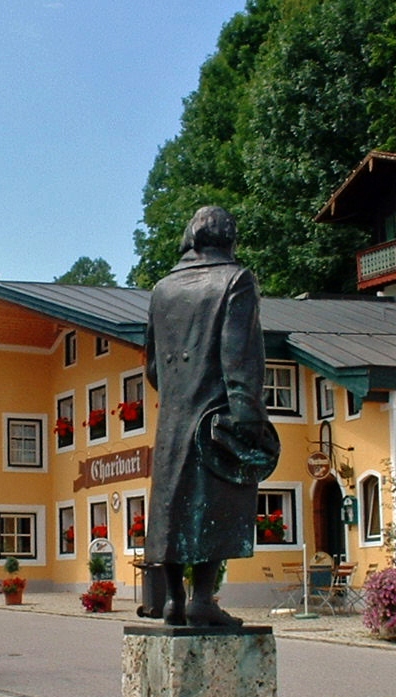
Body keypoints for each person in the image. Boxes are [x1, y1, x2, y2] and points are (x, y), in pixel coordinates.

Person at [143, 205, 279, 627]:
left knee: (171, 503)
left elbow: (151, 367)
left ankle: (173, 601)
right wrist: (248, 417)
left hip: (173, 419)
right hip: (217, 415)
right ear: (229, 239)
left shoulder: (162, 289)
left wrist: (179, 388)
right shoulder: (236, 280)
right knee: (215, 504)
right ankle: (203, 597)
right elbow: (240, 355)